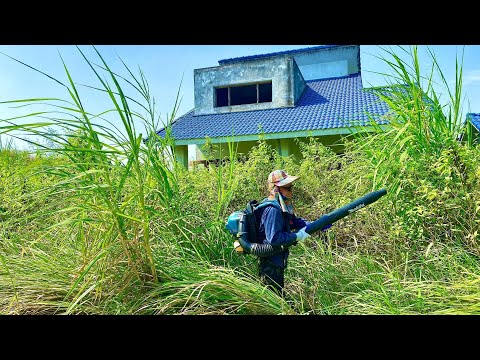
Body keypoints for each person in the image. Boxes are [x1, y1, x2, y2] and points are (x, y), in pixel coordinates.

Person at [254, 169, 331, 296]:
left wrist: (316, 224)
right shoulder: (273, 210)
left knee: (276, 294)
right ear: (276, 189)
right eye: (287, 188)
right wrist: (297, 236)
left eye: (291, 188)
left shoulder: (282, 205)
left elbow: (293, 222)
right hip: (270, 262)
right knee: (272, 296)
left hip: (277, 259)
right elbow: (274, 238)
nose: (291, 192)